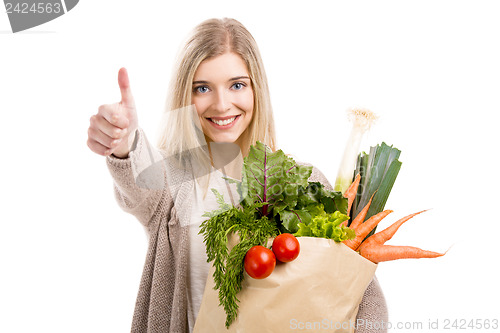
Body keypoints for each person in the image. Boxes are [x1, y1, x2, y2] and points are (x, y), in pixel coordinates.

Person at [87, 17, 388, 333]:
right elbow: (141, 184)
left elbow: (364, 297)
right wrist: (125, 144)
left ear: (257, 89)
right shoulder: (173, 180)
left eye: (237, 85)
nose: (222, 104)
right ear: (183, 97)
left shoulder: (306, 182)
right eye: (202, 88)